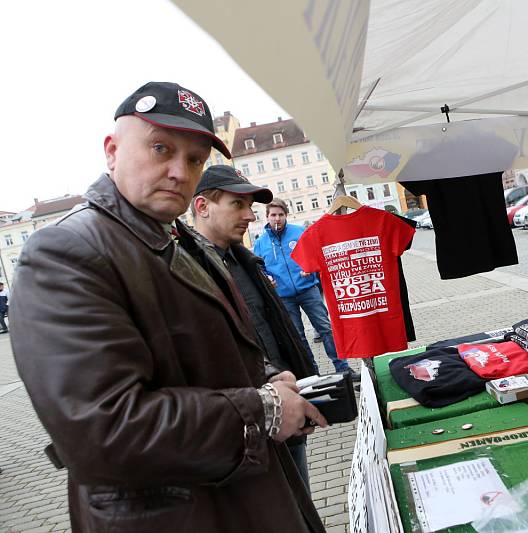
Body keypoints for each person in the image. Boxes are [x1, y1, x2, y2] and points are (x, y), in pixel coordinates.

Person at [10, 82, 326, 532]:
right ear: (112, 151)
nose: (180, 170)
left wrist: (269, 379)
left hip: (233, 495)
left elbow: (207, 358)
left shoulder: (178, 239)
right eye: (161, 148)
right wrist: (264, 410)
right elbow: (103, 431)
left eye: (195, 159)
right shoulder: (65, 252)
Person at [191, 164, 318, 488]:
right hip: (246, 422)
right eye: (238, 204)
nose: (250, 215)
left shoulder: (242, 260)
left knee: (301, 498)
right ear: (202, 207)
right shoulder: (188, 271)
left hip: (282, 404)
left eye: (250, 206)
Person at [254, 200, 353, 375]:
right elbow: (259, 267)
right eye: (273, 215)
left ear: (286, 215)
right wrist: (266, 278)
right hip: (283, 296)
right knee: (298, 337)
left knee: (325, 329)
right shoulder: (260, 243)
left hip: (308, 290)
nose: (277, 219)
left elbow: (317, 254)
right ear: (267, 216)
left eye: (280, 215)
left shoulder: (299, 232)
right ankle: (312, 373)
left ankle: (343, 368)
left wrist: (312, 269)